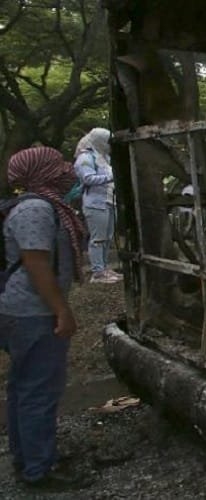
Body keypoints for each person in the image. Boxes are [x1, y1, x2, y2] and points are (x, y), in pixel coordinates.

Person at [0, 147, 89, 490]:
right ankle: (39, 471)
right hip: (32, 313)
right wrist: (62, 311)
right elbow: (36, 264)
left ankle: (29, 459)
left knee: (23, 389)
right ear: (41, 172)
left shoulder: (39, 206)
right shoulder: (36, 208)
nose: (67, 170)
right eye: (58, 165)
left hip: (20, 310)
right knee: (38, 391)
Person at [74, 128, 120, 284]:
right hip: (95, 203)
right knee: (98, 238)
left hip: (109, 201)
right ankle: (97, 272)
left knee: (107, 238)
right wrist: (112, 176)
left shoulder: (104, 157)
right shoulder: (85, 158)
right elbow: (88, 178)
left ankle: (104, 268)